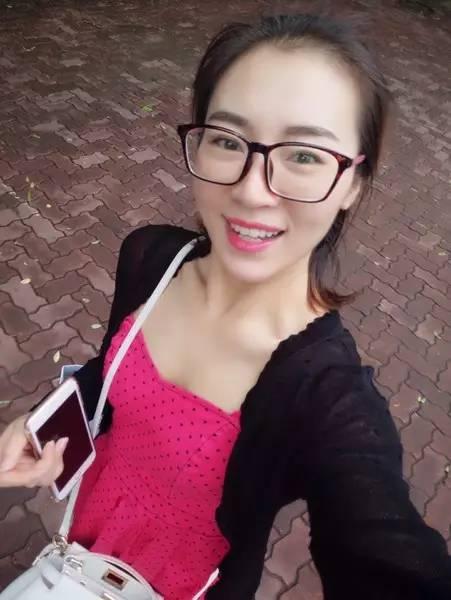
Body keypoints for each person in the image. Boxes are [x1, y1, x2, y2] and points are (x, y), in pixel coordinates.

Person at [0, 12, 450, 600]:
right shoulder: (152, 259)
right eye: (228, 141)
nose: (251, 190)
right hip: (74, 554)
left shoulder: (327, 395)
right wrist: (43, 424)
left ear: (353, 184)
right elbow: (108, 377)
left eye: (305, 155)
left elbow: (381, 549)